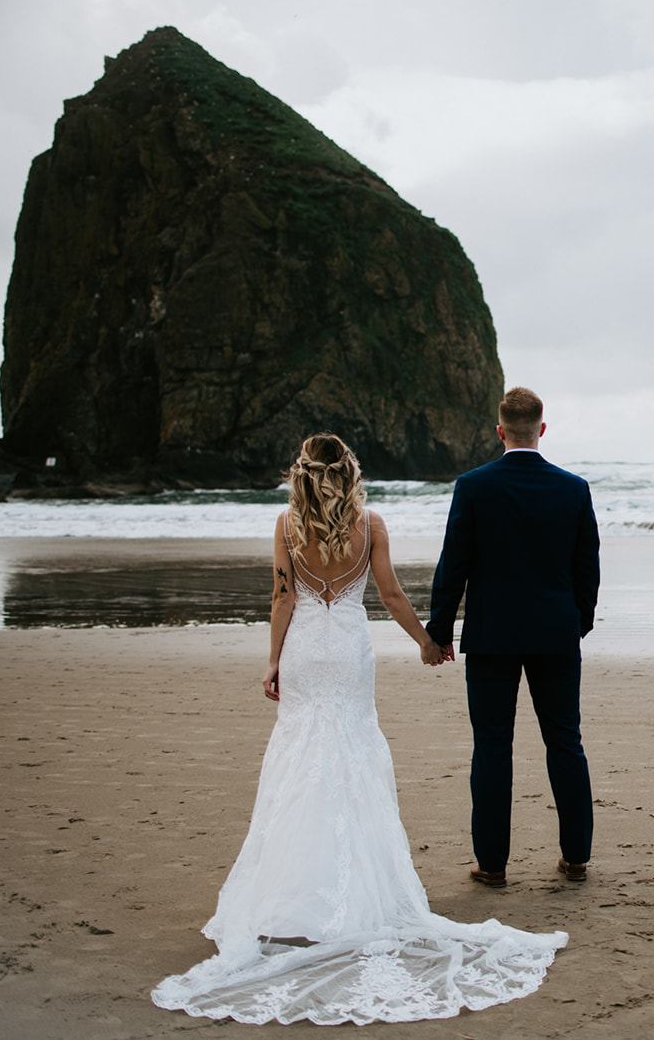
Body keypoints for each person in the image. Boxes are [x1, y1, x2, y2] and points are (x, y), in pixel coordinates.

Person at [151, 433, 566, 1026]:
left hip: (304, 652)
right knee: (351, 755)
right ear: (348, 473)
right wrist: (427, 641)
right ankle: (354, 899)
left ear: (303, 473)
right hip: (348, 652)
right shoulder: (370, 524)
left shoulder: (287, 525)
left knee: (299, 761)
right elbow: (392, 595)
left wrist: (273, 660)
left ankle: (289, 901)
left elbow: (281, 598)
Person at [426, 387, 601, 887]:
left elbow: (452, 565)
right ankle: (576, 858)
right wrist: (576, 623)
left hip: (492, 635)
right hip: (556, 634)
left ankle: (493, 865)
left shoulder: (473, 486)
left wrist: (439, 632)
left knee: (492, 746)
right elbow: (587, 567)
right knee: (565, 743)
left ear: (500, 431)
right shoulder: (573, 488)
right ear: (541, 430)